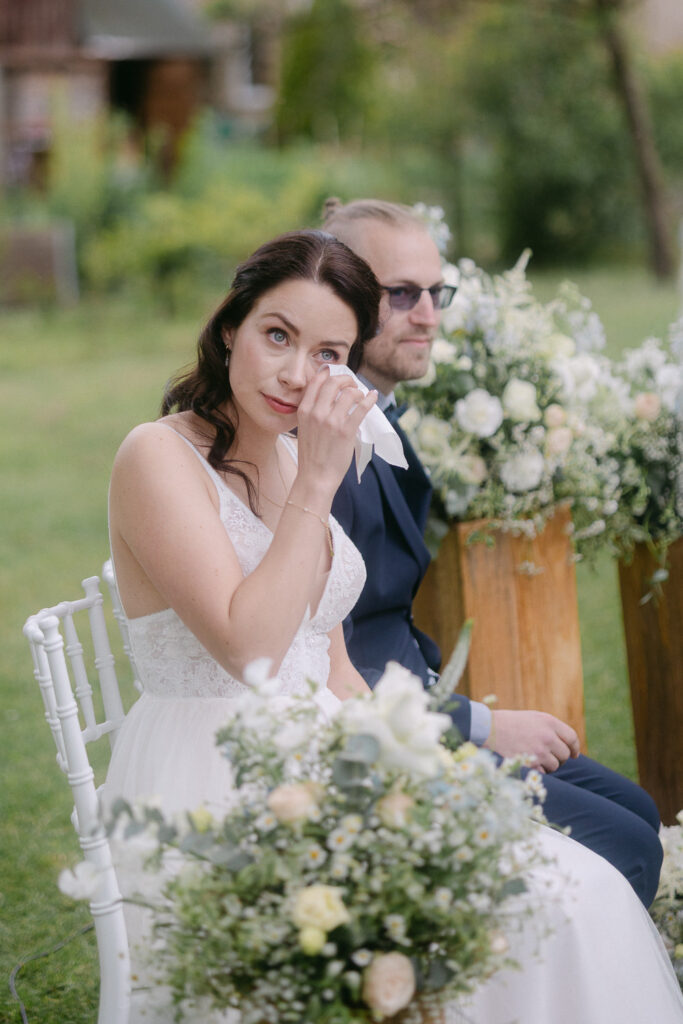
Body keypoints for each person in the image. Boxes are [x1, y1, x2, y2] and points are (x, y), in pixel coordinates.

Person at [102, 229, 683, 1023]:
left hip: (334, 748)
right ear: (230, 324)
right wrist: (317, 476)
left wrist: (431, 771)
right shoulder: (158, 457)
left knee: (576, 886)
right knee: (520, 905)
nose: (296, 374)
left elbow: (334, 666)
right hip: (218, 772)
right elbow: (251, 651)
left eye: (327, 354)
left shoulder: (280, 453)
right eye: (278, 335)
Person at [325, 197, 664, 910]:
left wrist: (467, 713)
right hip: (376, 743)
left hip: (422, 705)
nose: (428, 315)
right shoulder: (326, 450)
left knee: (636, 812)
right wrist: (479, 726)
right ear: (341, 298)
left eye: (435, 293)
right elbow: (338, 660)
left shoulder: (381, 418)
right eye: (402, 294)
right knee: (626, 845)